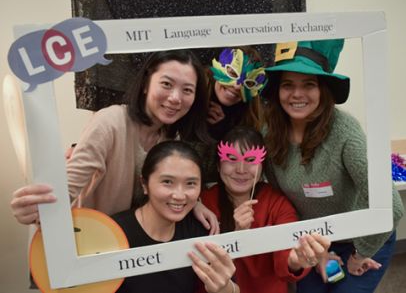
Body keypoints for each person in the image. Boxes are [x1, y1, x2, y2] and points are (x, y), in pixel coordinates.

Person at [11, 49, 219, 233]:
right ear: (146, 83)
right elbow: (66, 189)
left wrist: (195, 204)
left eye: (187, 90)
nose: (175, 97)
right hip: (84, 241)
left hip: (123, 247)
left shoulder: (171, 138)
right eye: (166, 84)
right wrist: (34, 209)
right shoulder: (109, 122)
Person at [262, 39, 405, 293]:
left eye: (308, 84)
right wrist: (317, 252)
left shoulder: (344, 131)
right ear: (277, 91)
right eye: (288, 85)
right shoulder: (270, 135)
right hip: (313, 240)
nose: (297, 94)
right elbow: (282, 201)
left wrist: (361, 253)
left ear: (323, 90)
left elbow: (391, 205)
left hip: (365, 238)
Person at [200, 126, 331, 293]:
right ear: (218, 166)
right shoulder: (203, 203)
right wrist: (236, 235)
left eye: (250, 160)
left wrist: (295, 261)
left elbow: (286, 261)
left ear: (262, 168)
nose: (241, 169)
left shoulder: (277, 203)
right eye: (231, 158)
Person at [112, 140, 238, 293]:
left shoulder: (201, 230)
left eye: (190, 183)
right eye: (167, 182)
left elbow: (233, 288)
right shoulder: (112, 233)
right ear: (144, 184)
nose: (179, 195)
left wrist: (224, 288)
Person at [206, 46, 268, 140]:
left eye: (248, 82)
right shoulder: (192, 95)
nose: (237, 86)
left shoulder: (252, 118)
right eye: (233, 73)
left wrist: (224, 132)